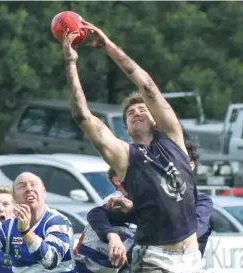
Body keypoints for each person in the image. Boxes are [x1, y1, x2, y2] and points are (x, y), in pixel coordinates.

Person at [63, 24, 202, 272]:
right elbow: (83, 116)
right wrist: (71, 63)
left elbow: (148, 87)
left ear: (156, 119)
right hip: (156, 258)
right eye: (130, 113)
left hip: (192, 257)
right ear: (126, 128)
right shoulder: (125, 156)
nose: (136, 111)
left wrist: (108, 46)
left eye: (142, 109)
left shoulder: (173, 137)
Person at [88, 143, 213, 267]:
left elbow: (188, 233)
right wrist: (112, 237)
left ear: (190, 166)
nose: (167, 167)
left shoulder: (201, 201)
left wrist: (134, 208)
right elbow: (97, 213)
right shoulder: (148, 198)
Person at [0, 172, 75, 273]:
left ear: (44, 192)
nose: (29, 189)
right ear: (14, 198)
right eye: (21, 186)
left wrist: (26, 231)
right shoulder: (8, 227)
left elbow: (50, 261)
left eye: (33, 184)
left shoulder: (58, 222)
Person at [73, 170, 136, 273]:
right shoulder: (115, 200)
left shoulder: (141, 203)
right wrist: (113, 236)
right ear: (117, 180)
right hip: (90, 265)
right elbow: (95, 214)